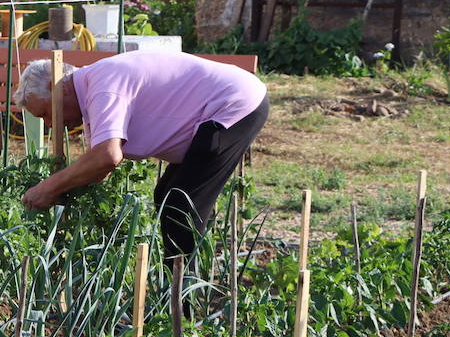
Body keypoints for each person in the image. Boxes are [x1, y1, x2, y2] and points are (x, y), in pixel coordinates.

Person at [16, 52, 268, 261]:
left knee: (181, 207)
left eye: (46, 113)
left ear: (56, 87)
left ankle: (186, 307)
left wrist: (48, 187)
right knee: (167, 195)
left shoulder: (103, 85)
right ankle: (178, 295)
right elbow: (98, 167)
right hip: (220, 107)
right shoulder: (93, 87)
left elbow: (107, 156)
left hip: (233, 104)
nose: (50, 124)